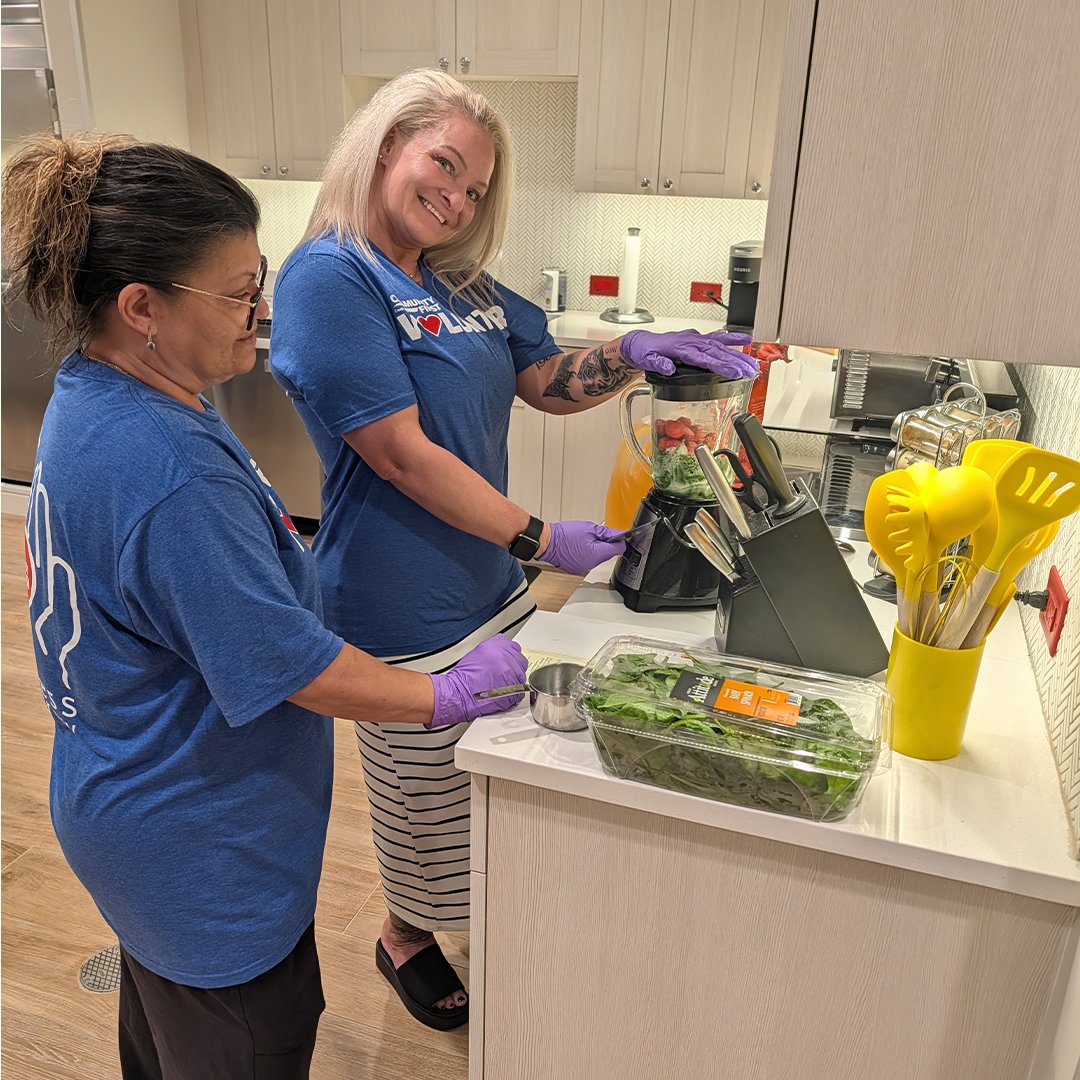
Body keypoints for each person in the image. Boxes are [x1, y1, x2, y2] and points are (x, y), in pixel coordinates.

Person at [0, 133, 528, 1080]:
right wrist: (444, 694)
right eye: (240, 291)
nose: (264, 311)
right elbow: (297, 667)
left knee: (164, 1044)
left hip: (125, 801)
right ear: (141, 308)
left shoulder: (99, 396)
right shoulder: (169, 473)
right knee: (250, 1042)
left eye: (262, 279)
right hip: (202, 853)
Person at [269, 69, 758, 1031]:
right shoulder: (332, 275)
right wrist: (543, 539)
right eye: (443, 166)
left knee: (483, 786)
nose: (456, 199)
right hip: (397, 600)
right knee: (423, 805)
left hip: (486, 583)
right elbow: (402, 455)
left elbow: (542, 375)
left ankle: (470, 915)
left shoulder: (454, 279)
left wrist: (630, 356)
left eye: (476, 188)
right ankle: (405, 933)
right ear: (385, 144)